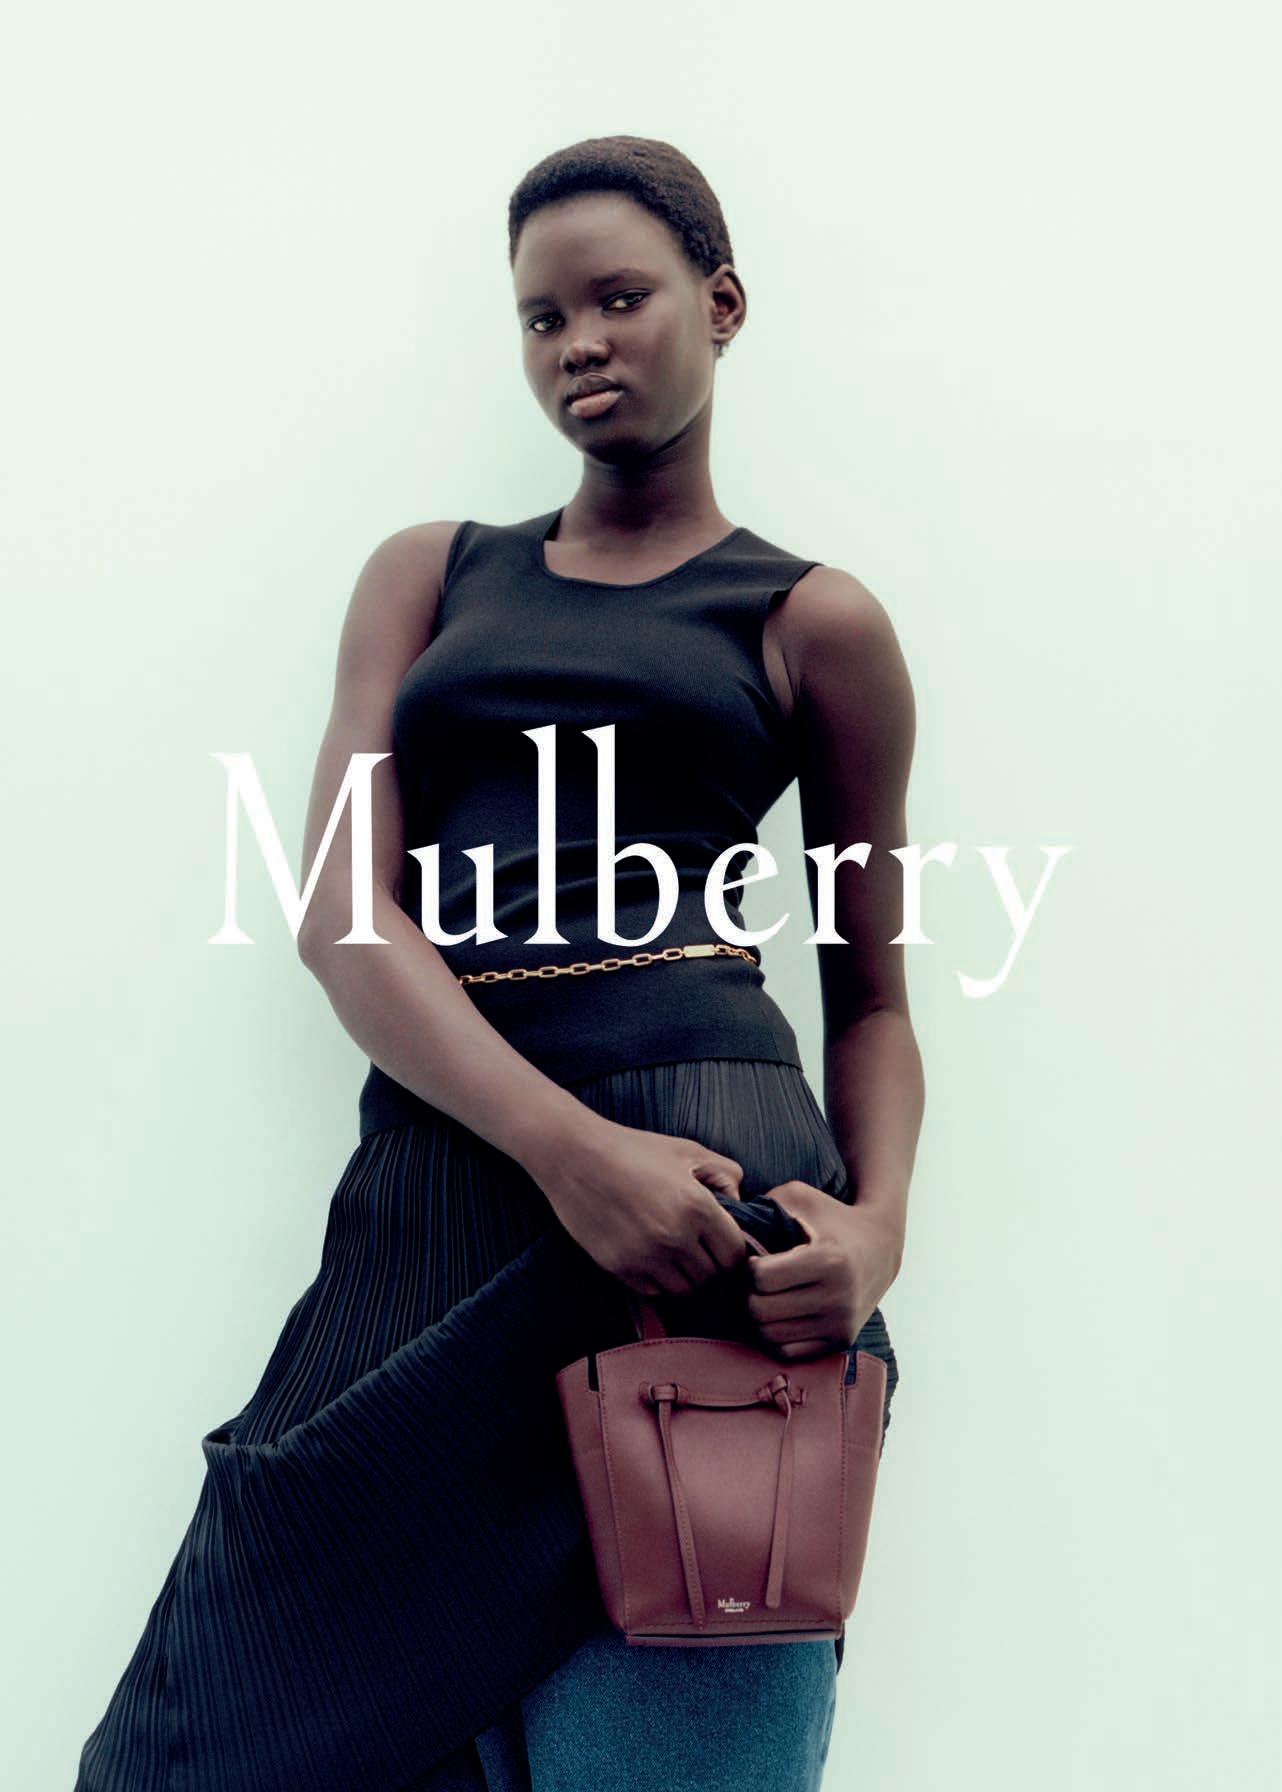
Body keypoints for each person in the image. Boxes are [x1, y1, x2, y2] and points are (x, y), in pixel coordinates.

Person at [74, 135, 922, 1792]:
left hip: (707, 1238)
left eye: (620, 297)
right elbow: (341, 913)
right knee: (197, 1740)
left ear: (721, 304)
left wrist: (879, 1231)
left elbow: (874, 995)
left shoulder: (813, 621)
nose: (578, 342)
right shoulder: (430, 574)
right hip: (453, 1187)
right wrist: (567, 1151)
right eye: (542, 317)